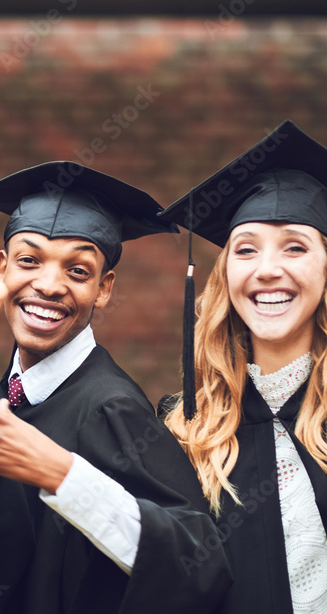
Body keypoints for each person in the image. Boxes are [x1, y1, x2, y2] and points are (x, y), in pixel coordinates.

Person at [0, 162, 233, 613]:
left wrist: (62, 474)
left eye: (78, 271)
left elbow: (198, 564)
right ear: (2, 268)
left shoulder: (112, 408)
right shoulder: (1, 394)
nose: (48, 285)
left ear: (104, 289)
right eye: (29, 261)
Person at [159, 119, 327, 614]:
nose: (267, 268)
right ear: (225, 272)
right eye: (246, 249)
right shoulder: (184, 427)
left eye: (295, 246)